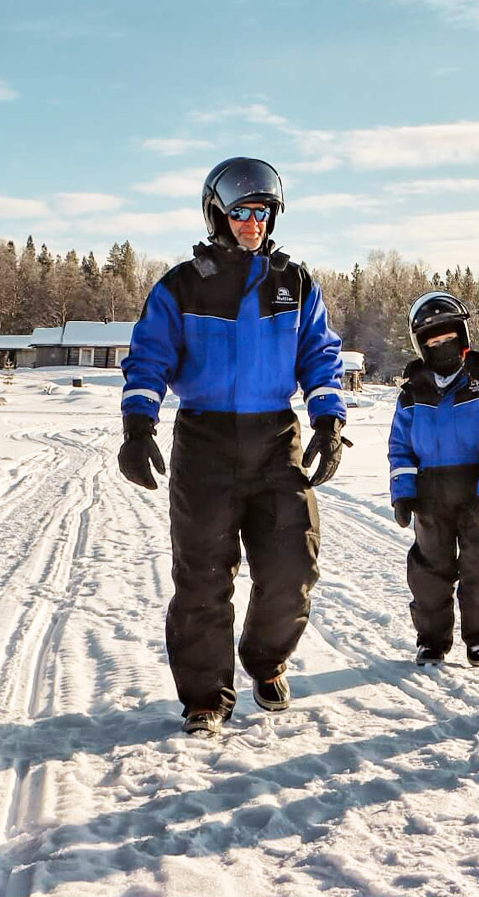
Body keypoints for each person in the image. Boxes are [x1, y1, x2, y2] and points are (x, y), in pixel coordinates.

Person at [118, 157, 347, 737]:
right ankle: (205, 698)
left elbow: (319, 354)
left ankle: (266, 660)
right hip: (206, 439)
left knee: (294, 562)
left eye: (263, 212)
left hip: (275, 438)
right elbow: (149, 356)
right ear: (217, 214)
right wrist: (138, 424)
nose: (253, 222)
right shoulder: (182, 284)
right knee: (202, 574)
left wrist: (327, 420)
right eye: (242, 212)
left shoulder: (294, 284)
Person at [388, 292, 479, 667]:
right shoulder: (412, 394)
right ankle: (432, 641)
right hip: (430, 493)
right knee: (429, 572)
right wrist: (402, 491)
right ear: (422, 348)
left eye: (448, 339)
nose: (442, 347)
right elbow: (400, 447)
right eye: (433, 342)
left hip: (476, 488)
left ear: (462, 339)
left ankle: (478, 639)